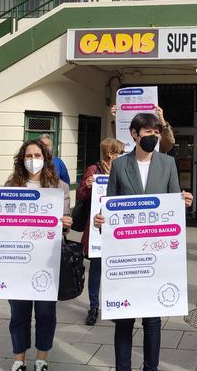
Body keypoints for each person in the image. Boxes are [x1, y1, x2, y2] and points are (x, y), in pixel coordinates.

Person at [93, 113, 193, 371]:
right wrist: (103, 221)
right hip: (127, 254)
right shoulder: (120, 165)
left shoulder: (168, 163)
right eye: (147, 132)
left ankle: (151, 367)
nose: (153, 136)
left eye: (156, 132)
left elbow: (172, 203)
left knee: (152, 320)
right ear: (135, 135)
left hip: (157, 256)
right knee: (124, 320)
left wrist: (182, 204)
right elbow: (111, 205)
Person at [0, 139, 71, 371]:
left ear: (45, 158)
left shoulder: (58, 187)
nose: (33, 160)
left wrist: (66, 222)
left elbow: (66, 221)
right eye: (28, 156)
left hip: (46, 262)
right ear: (22, 160)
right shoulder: (11, 185)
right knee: (19, 313)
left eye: (37, 155)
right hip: (17, 263)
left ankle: (42, 358)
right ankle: (19, 359)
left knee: (45, 313)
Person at [77, 137, 124, 326]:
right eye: (120, 152)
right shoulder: (93, 170)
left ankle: (113, 303)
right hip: (97, 227)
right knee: (96, 268)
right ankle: (94, 306)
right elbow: (80, 195)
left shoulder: (123, 170)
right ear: (110, 154)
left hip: (118, 227)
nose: (122, 155)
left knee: (115, 268)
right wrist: (87, 187)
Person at [110, 104, 176, 153]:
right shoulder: (121, 163)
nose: (152, 134)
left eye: (156, 132)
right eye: (148, 131)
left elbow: (169, 141)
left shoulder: (161, 149)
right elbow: (121, 138)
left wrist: (162, 120)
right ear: (134, 134)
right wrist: (118, 118)